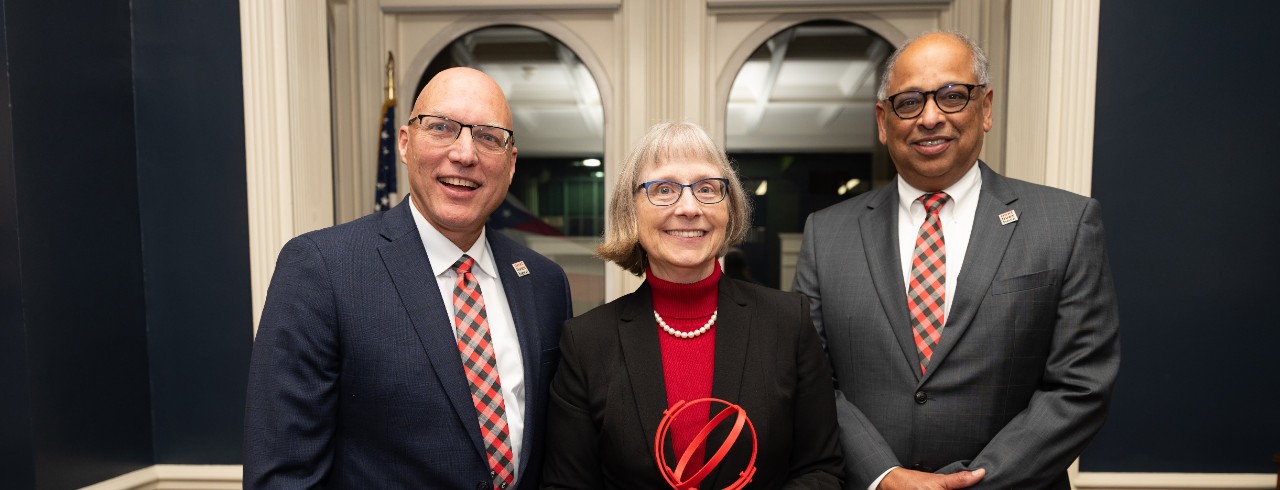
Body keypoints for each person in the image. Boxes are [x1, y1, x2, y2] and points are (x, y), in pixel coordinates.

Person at [793, 31, 1120, 489]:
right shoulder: (826, 234)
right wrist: (884, 476)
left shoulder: (1066, 223)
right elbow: (810, 381)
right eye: (909, 102)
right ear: (883, 121)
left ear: (985, 108)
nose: (930, 118)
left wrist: (972, 483)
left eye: (952, 96)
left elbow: (1081, 386)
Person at [244, 67, 573, 489]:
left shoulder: (544, 283)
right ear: (405, 143)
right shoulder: (322, 269)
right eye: (441, 128)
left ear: (510, 165)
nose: (465, 154)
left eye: (488, 137)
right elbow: (283, 475)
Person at [541, 122, 843, 489]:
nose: (689, 207)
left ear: (729, 208)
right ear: (630, 210)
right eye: (664, 189)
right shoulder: (586, 342)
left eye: (706, 188)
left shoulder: (789, 323)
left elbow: (821, 470)